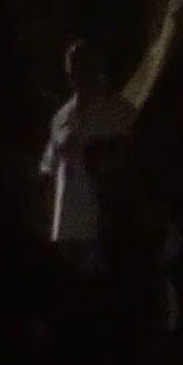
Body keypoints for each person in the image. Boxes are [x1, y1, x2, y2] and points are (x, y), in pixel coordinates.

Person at [39, 40, 137, 277]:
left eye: (83, 66)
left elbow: (132, 162)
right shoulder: (61, 117)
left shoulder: (120, 113)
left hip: (103, 227)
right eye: (72, 68)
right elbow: (49, 169)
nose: (77, 74)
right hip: (65, 228)